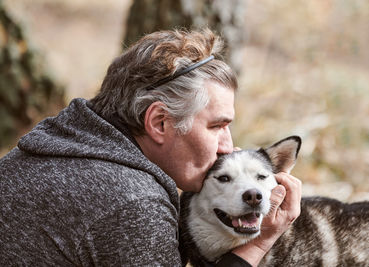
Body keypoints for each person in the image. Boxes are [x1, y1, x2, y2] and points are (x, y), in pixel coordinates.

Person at [0, 28, 301, 266]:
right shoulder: (132, 203)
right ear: (159, 122)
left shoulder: (51, 145)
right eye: (217, 126)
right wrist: (261, 241)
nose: (228, 146)